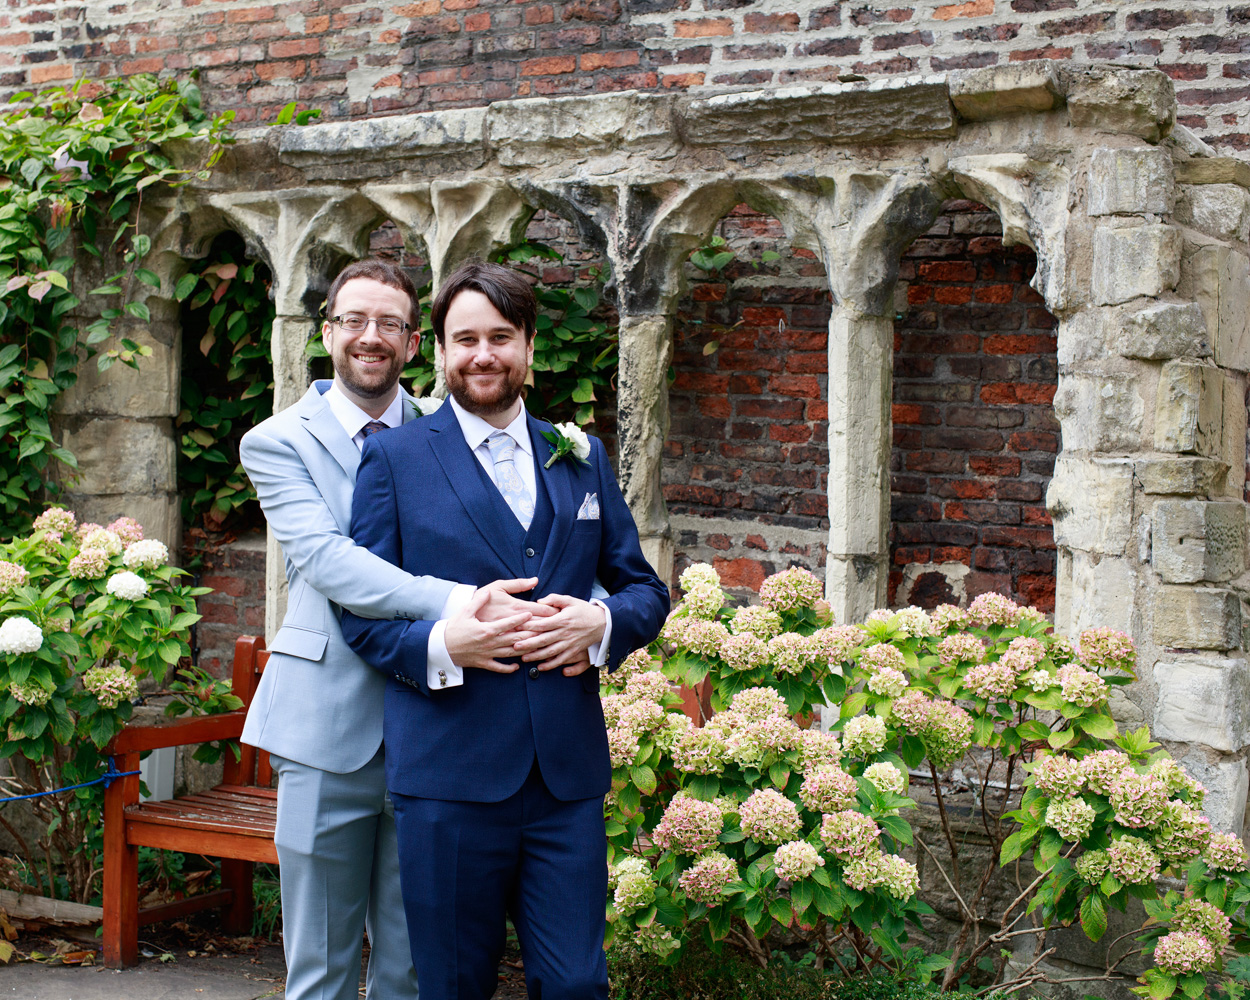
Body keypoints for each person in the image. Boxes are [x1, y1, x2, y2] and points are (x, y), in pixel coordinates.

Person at [340, 258, 669, 1000]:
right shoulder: (393, 459)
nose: (482, 355)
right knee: (454, 985)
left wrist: (602, 621)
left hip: (565, 779)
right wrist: (444, 645)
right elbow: (360, 616)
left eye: (500, 337)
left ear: (528, 347)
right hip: (448, 777)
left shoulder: (580, 457)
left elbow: (646, 589)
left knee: (579, 983)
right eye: (465, 340)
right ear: (441, 352)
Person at [239, 258, 561, 1000]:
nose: (370, 337)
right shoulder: (277, 441)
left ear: (416, 344)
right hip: (326, 728)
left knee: (413, 966)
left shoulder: (454, 430)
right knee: (318, 966)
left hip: (439, 728)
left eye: (389, 323)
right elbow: (329, 562)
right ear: (327, 332)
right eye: (354, 320)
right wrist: (459, 602)